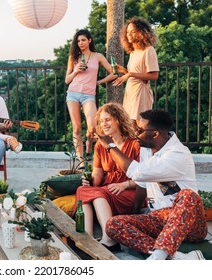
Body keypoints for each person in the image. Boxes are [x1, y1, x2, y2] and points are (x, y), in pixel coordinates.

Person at [99, 109, 208, 260]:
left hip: (189, 222)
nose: (135, 133)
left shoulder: (178, 154)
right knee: (113, 224)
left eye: (140, 130)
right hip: (159, 218)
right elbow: (142, 183)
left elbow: (136, 172)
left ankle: (157, 258)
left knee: (188, 195)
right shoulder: (147, 149)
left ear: (155, 134)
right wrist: (135, 213)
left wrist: (111, 147)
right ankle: (176, 258)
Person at [73, 103, 141, 252]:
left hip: (129, 190)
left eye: (108, 119)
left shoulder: (135, 144)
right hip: (108, 188)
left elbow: (145, 175)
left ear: (119, 120)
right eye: (101, 121)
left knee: (98, 193)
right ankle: (87, 238)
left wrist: (124, 185)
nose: (104, 124)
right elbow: (97, 175)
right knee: (83, 189)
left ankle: (109, 239)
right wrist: (91, 181)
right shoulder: (100, 145)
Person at [65, 29, 117, 163]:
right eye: (78, 41)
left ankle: (89, 144)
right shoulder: (73, 57)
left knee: (93, 127)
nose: (80, 43)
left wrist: (99, 81)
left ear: (89, 40)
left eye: (83, 40)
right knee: (76, 127)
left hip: (88, 95)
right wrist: (76, 70)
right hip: (73, 93)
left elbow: (113, 73)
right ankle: (81, 160)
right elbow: (67, 80)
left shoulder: (97, 56)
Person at [113, 17, 159, 127]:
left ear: (142, 33)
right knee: (130, 125)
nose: (129, 34)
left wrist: (130, 74)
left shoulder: (148, 50)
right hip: (131, 91)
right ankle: (134, 145)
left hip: (141, 91)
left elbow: (154, 75)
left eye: (133, 31)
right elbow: (134, 73)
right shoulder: (133, 52)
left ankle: (143, 144)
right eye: (128, 32)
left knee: (140, 124)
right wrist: (123, 70)